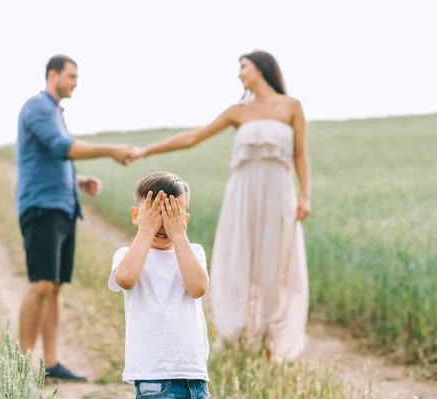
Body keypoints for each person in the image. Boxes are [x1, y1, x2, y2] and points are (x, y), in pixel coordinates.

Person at [132, 50, 311, 363]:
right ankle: (238, 334)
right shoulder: (237, 111)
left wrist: (305, 195)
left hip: (279, 192)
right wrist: (146, 150)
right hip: (242, 193)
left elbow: (300, 154)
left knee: (276, 261)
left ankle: (271, 338)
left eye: (244, 67)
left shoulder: (291, 106)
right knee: (238, 257)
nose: (240, 73)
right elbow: (193, 138)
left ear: (262, 68)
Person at [15, 54, 136, 380]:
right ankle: (19, 367)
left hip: (63, 206)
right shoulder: (38, 107)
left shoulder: (55, 112)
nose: (75, 82)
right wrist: (111, 149)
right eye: (71, 75)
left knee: (54, 287)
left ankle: (51, 364)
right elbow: (59, 146)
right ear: (53, 74)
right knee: (40, 284)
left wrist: (76, 179)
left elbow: (52, 157)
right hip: (42, 207)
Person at [108, 171, 210, 398]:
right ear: (136, 215)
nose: (162, 223)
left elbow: (198, 288)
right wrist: (146, 230)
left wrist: (179, 237)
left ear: (184, 220)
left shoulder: (193, 252)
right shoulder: (127, 254)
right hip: (153, 378)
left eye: (171, 214)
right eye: (154, 213)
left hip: (194, 376)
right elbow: (125, 279)